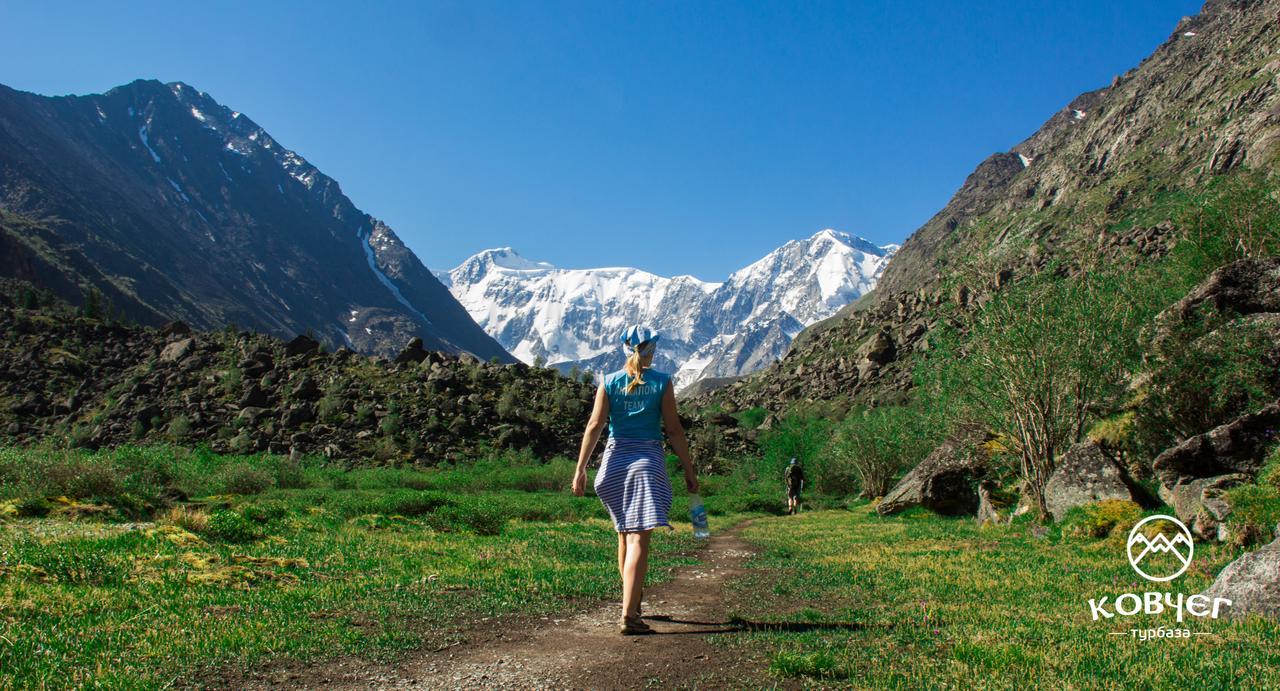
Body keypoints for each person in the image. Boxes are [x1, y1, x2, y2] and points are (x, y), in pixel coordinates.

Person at [573, 325, 699, 636]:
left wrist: (580, 468)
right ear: (651, 349)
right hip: (646, 463)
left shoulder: (609, 382)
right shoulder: (662, 382)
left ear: (625, 348)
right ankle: (630, 615)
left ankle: (633, 600)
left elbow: (594, 425)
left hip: (612, 464)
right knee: (639, 539)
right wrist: (688, 468)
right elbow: (674, 430)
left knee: (624, 535)